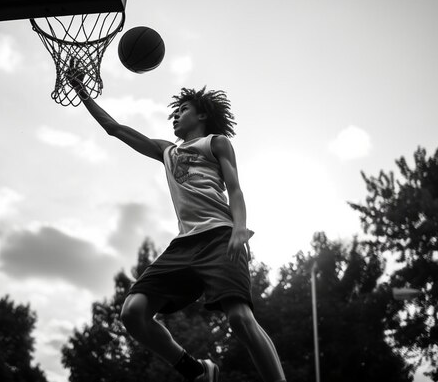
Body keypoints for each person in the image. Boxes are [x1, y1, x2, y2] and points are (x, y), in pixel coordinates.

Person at [67, 68, 286, 382]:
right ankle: (196, 372)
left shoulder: (216, 143)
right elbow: (114, 128)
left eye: (183, 109)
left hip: (219, 237)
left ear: (202, 114)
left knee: (239, 318)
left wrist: (240, 227)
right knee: (133, 312)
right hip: (184, 246)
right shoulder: (166, 151)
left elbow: (235, 189)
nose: (176, 114)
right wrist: (81, 91)